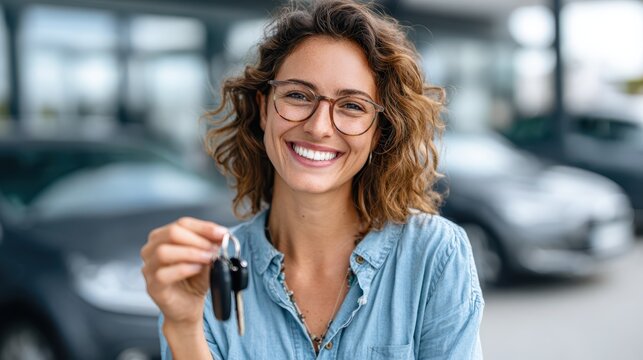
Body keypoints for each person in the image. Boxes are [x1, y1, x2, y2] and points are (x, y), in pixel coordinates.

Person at [140, 0, 484, 359]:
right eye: (297, 96)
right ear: (263, 109)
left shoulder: (434, 256)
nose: (318, 127)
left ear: (379, 132)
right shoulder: (208, 277)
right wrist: (182, 327)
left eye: (352, 105)